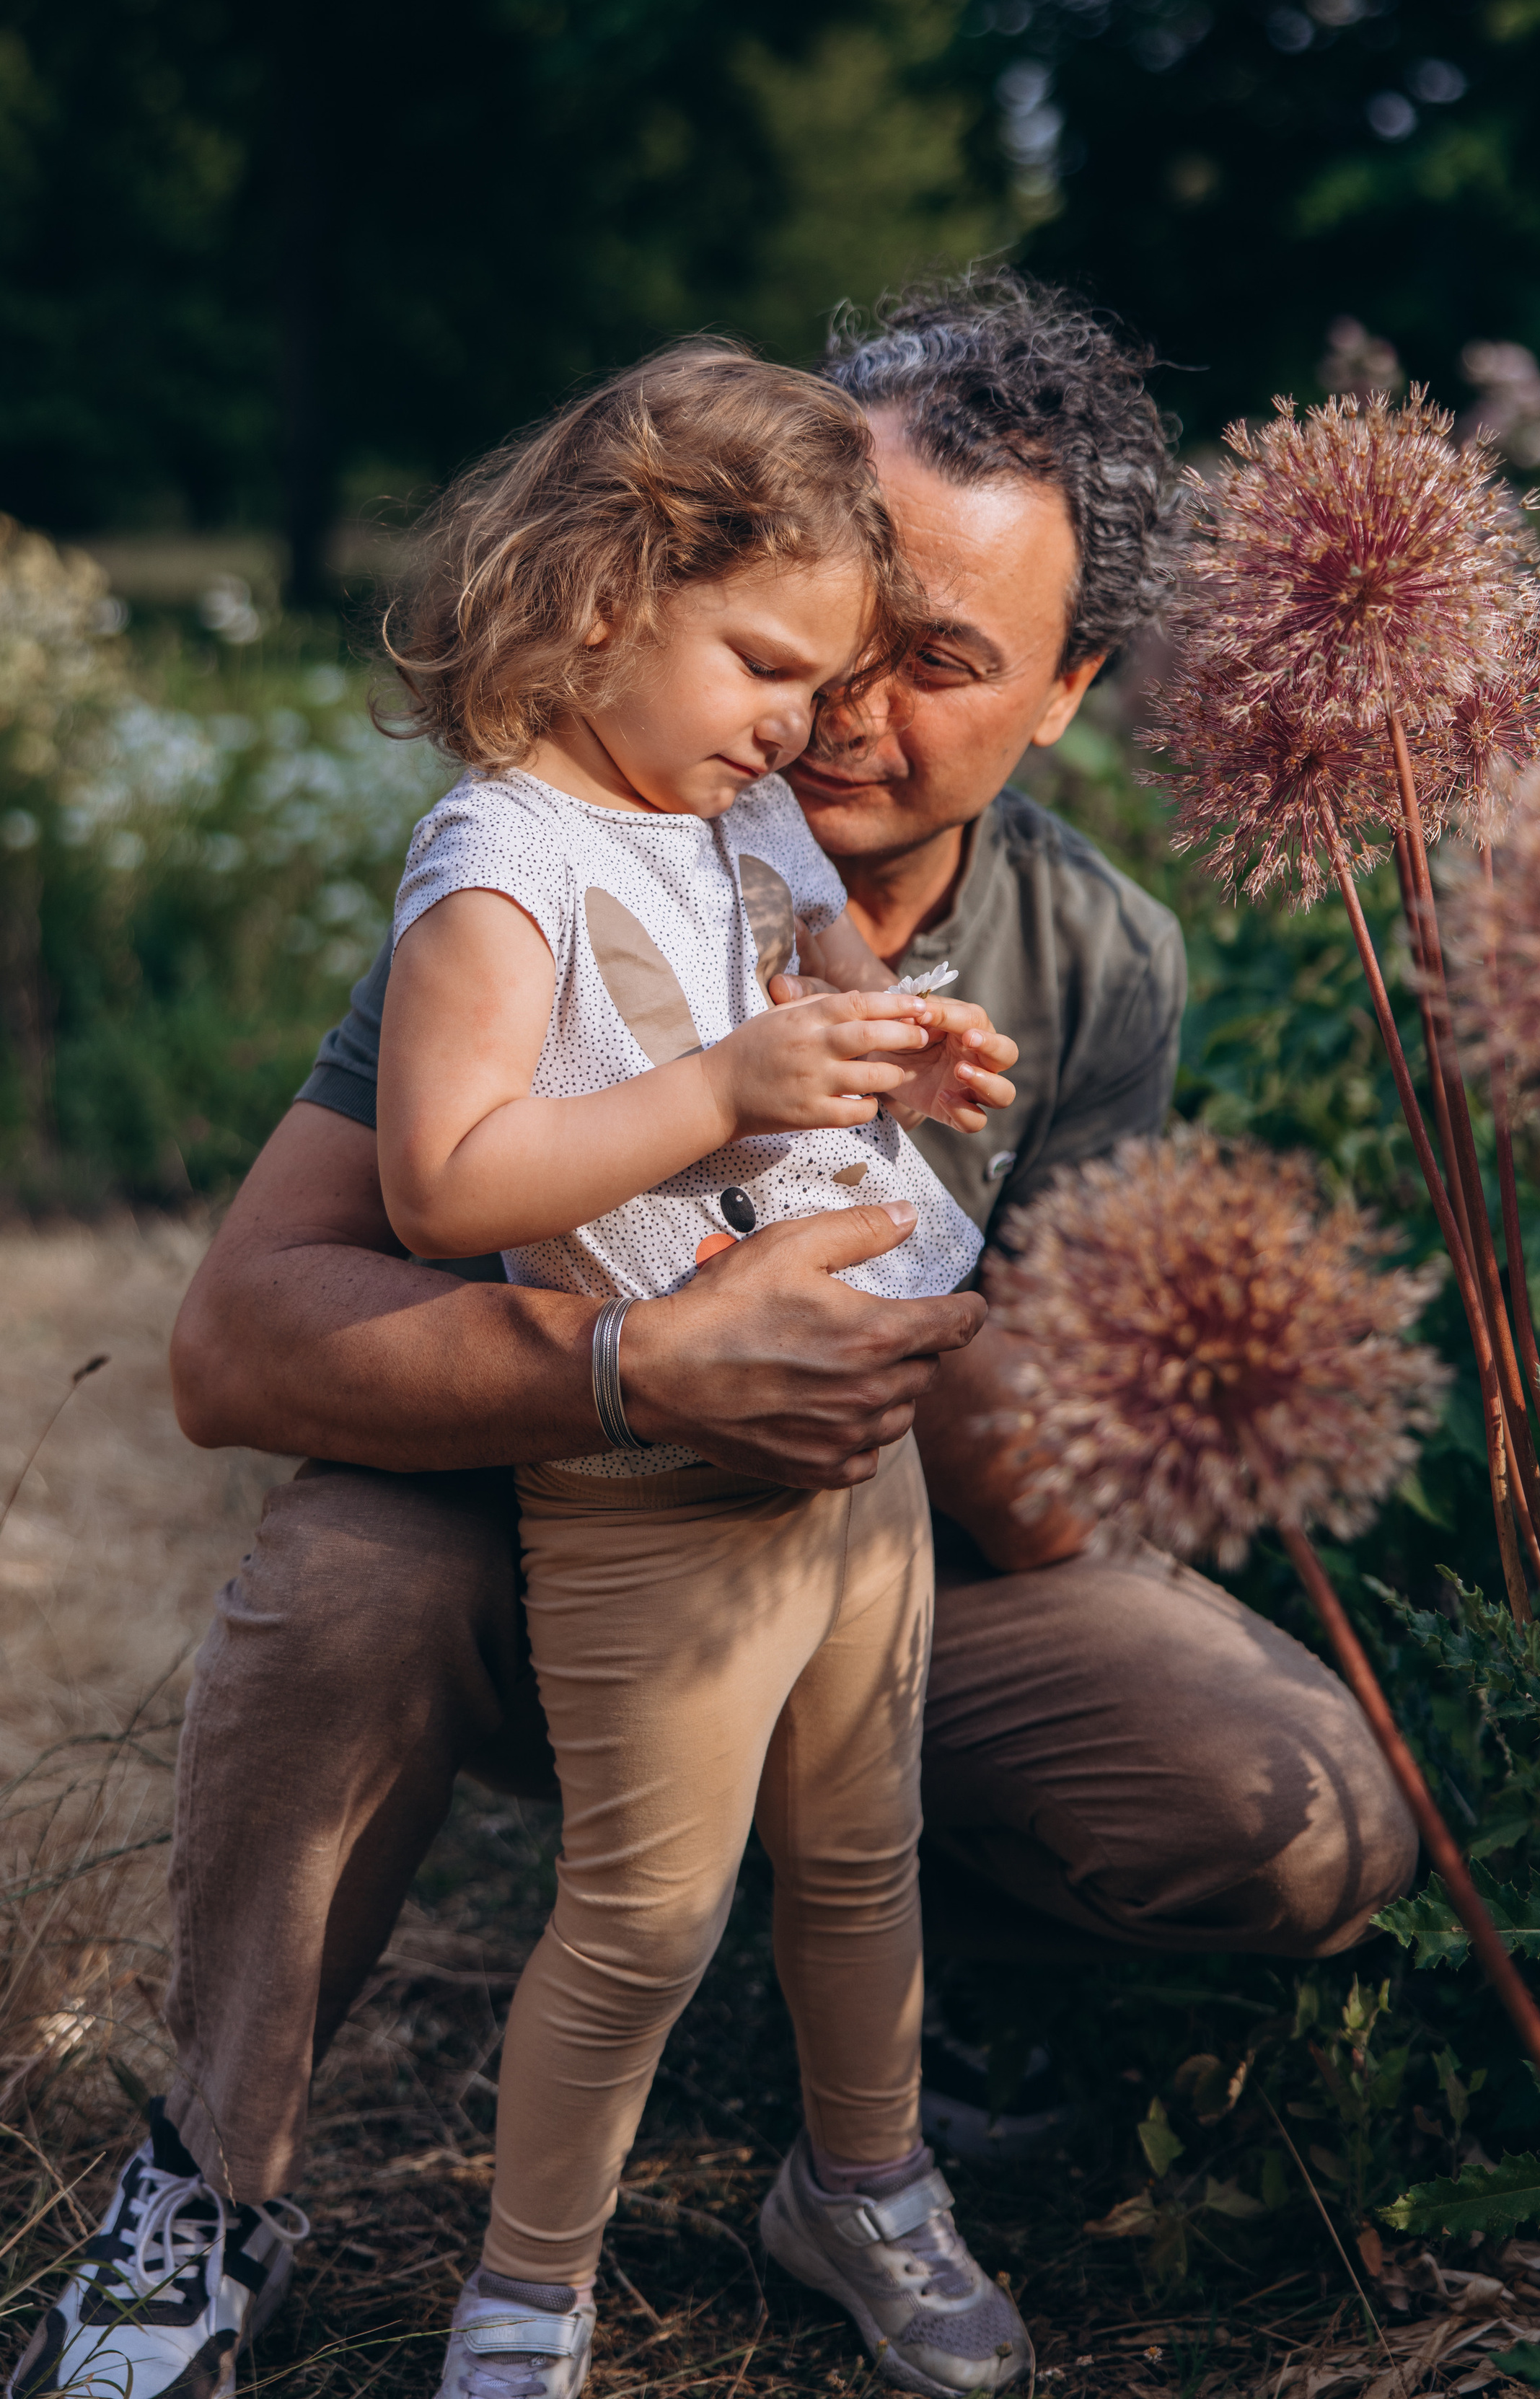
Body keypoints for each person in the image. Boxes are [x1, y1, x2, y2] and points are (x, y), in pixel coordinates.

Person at [6, 276, 1417, 2399]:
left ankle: (848, 2038)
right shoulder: (569, 843)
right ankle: (213, 2175)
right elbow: (235, 1350)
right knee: (347, 1573)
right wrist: (635, 1366)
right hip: (552, 1530)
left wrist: (957, 1297)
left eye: (934, 660)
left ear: (1069, 693)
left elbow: (1048, 1508)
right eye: (819, 638)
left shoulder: (1096, 959)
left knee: (1299, 1809)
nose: (840, 711)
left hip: (875, 1556)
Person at [374, 344, 1029, 2399]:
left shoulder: (739, 818)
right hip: (652, 1491)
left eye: (821, 688)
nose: (798, 730)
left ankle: (867, 2184)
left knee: (858, 1852)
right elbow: (444, 1178)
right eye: (764, 666)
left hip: (857, 1444)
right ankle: (527, 2293)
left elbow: (831, 990)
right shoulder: (500, 865)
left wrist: (901, 1038)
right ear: (599, 599)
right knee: (647, 1913)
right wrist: (727, 1084)